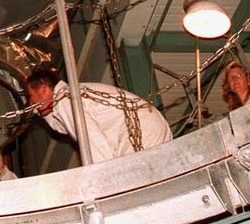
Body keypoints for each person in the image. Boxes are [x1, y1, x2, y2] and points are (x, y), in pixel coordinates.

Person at [24, 66, 170, 162]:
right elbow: (61, 126)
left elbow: (91, 139)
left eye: (30, 95)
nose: (31, 103)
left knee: (129, 182)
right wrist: (44, 114)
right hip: (148, 125)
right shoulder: (70, 95)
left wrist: (101, 177)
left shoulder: (65, 100)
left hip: (140, 128)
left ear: (43, 89)